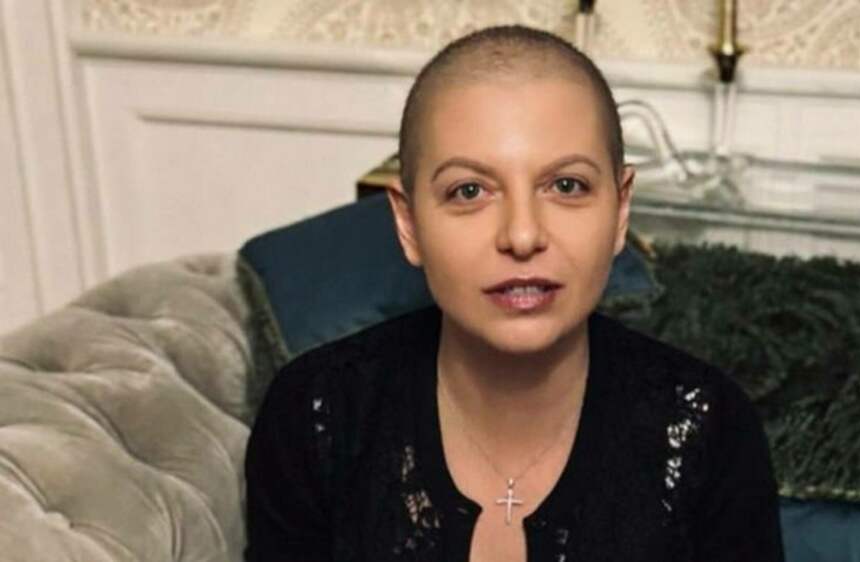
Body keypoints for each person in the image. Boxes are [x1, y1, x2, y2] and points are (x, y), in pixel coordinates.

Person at [244, 25, 784, 562]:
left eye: (567, 185)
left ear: (620, 210)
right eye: (469, 191)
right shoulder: (315, 414)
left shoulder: (708, 427)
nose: (522, 236)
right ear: (408, 225)